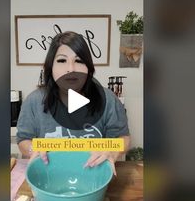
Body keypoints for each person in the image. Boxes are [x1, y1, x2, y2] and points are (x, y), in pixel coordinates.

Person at [16, 31, 130, 175]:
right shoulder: (34, 101)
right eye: (62, 61)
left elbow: (123, 137)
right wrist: (33, 149)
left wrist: (112, 152)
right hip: (50, 176)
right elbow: (23, 139)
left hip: (92, 174)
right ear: (51, 67)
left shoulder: (108, 99)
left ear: (88, 67)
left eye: (79, 61)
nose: (71, 69)